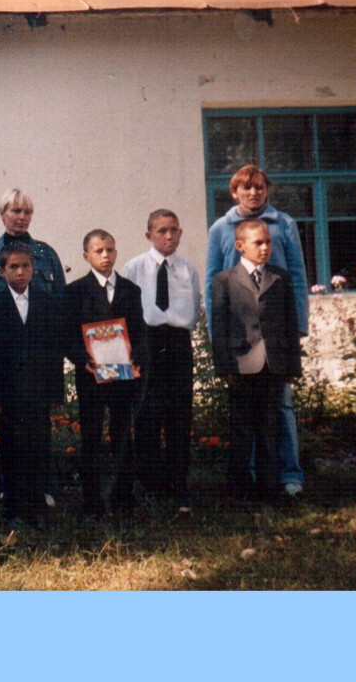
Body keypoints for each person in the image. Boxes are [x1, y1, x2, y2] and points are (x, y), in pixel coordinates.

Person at [205, 165, 308, 497]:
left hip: (276, 338)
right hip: (240, 340)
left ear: (267, 191)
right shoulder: (220, 228)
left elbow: (297, 276)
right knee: (245, 416)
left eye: (260, 187)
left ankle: (288, 475)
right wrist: (218, 341)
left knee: (280, 408)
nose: (253, 193)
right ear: (234, 192)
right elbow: (212, 281)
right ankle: (246, 479)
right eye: (246, 188)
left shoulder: (284, 224)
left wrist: (298, 329)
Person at [0, 243, 64, 532]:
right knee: (13, 449)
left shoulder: (46, 303)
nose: (20, 272)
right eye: (13, 267)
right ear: (1, 271)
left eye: (25, 266)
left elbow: (54, 350)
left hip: (39, 390)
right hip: (9, 393)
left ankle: (38, 507)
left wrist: (55, 391)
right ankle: (15, 509)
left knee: (39, 447)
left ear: (33, 269)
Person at [64, 229, 148, 517]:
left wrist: (137, 356)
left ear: (116, 252)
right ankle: (92, 501)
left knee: (123, 433)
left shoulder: (130, 290)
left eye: (110, 250)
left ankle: (123, 496)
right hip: (91, 375)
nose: (105, 255)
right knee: (91, 436)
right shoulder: (74, 291)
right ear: (86, 255)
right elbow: (67, 335)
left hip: (123, 375)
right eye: (98, 251)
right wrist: (81, 358)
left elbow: (139, 330)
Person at [121, 209, 201, 502]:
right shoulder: (135, 267)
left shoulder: (187, 269)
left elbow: (194, 307)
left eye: (174, 230)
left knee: (179, 412)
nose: (169, 236)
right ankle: (149, 483)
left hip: (177, 343)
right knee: (147, 412)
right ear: (149, 235)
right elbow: (127, 308)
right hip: (147, 341)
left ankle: (177, 483)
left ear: (180, 233)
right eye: (162, 231)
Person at [0, 188, 66, 305]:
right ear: (2, 214)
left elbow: (62, 300)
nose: (22, 217)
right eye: (16, 211)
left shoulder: (47, 253)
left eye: (27, 212)